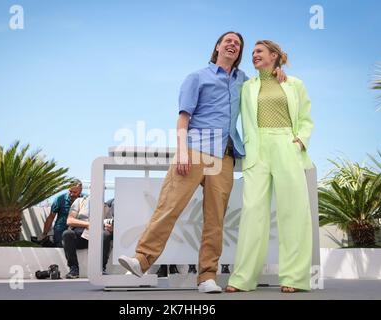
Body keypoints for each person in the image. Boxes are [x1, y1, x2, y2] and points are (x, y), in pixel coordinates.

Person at [118, 32, 286, 293]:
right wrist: (182, 151)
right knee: (169, 206)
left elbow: (263, 86)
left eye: (238, 44)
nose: (233, 44)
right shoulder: (197, 77)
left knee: (215, 219)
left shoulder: (244, 80)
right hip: (195, 151)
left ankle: (207, 277)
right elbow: (183, 118)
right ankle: (141, 261)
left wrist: (277, 74)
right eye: (228, 40)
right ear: (217, 46)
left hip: (226, 156)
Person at [226, 40, 314, 293]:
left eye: (259, 52)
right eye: (252, 52)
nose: (253, 55)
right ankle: (243, 278)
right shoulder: (246, 85)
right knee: (253, 212)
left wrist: (299, 142)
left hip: (286, 144)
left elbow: (307, 118)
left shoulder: (294, 83)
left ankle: (294, 278)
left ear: (274, 55)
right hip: (256, 149)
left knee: (294, 212)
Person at [63, 195, 115, 278]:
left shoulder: (105, 206)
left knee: (106, 235)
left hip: (98, 234)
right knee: (67, 234)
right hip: (80, 232)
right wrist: (88, 224)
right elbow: (70, 220)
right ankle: (74, 269)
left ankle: (101, 269)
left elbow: (109, 225)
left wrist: (110, 227)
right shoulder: (79, 201)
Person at [40, 180, 83, 247]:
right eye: (70, 191)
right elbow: (51, 217)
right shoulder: (59, 199)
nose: (71, 194)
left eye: (74, 192)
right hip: (60, 234)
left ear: (80, 191)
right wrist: (44, 234)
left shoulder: (85, 199)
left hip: (78, 233)